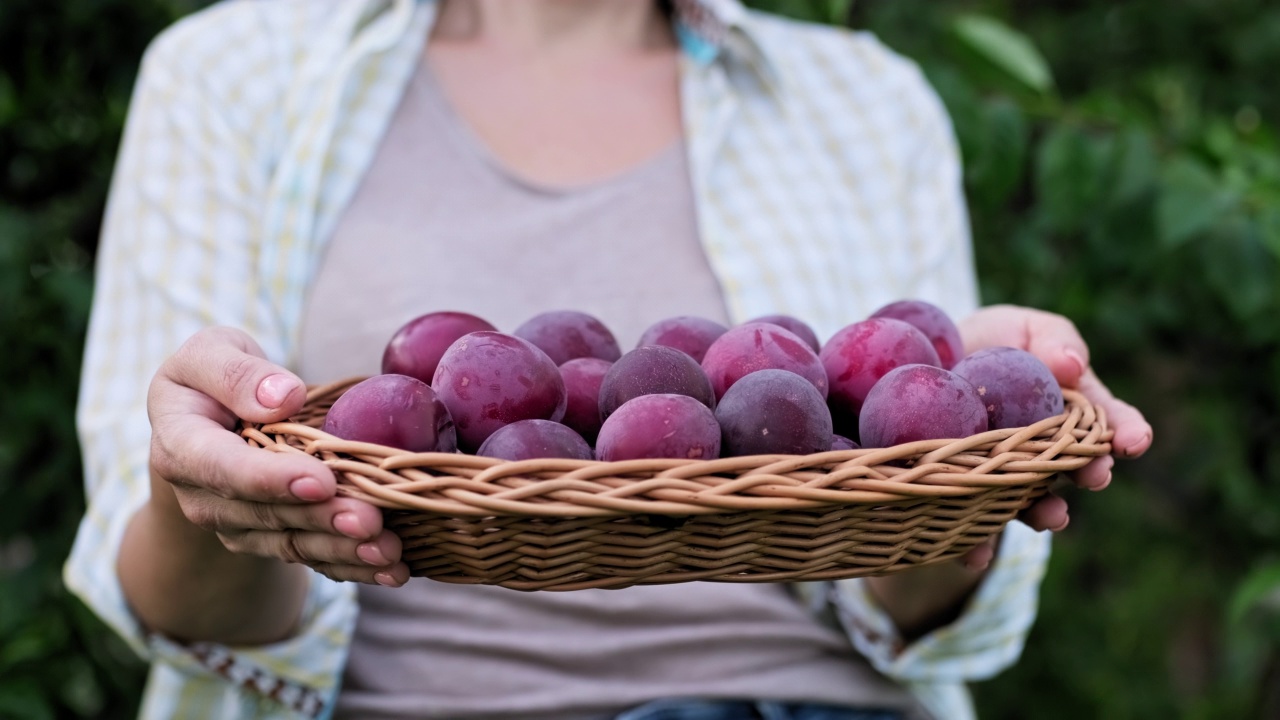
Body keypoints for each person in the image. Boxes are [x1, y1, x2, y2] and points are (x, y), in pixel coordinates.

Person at [65, 1, 1152, 719]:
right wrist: (200, 484)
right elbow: (178, 605)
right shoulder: (230, 75)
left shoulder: (864, 104)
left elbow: (916, 604)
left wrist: (973, 459)